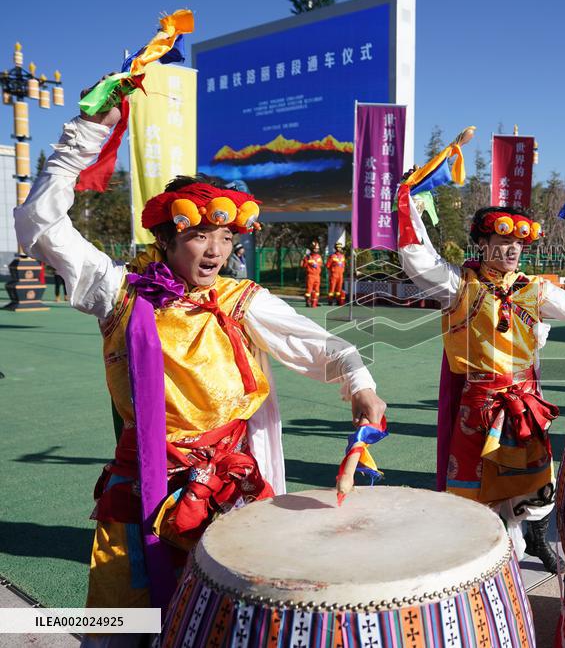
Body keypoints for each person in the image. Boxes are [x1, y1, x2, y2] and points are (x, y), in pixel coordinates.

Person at [13, 79, 386, 632]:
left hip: (231, 483)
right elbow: (39, 222)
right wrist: (88, 132)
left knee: (231, 615)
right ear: (165, 237)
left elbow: (318, 343)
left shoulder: (240, 301)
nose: (215, 249)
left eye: (226, 238)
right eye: (200, 235)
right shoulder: (116, 290)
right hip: (146, 482)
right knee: (124, 621)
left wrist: (359, 383)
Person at [397, 199, 565, 574]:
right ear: (482, 244)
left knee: (536, 481)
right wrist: (408, 204)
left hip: (525, 401)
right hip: (480, 404)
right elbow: (416, 256)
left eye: (519, 242)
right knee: (474, 491)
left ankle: (535, 540)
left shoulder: (534, 289)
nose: (513, 249)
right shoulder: (458, 284)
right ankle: (484, 560)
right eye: (503, 242)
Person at [301, 240, 323, 307]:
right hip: (310, 276)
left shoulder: (319, 257)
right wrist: (304, 259)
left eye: (317, 249)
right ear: (312, 249)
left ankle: (315, 301)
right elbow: (303, 266)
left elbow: (320, 265)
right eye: (315, 248)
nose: (316, 250)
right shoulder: (307, 257)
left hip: (317, 276)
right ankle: (308, 301)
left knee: (317, 290)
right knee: (309, 290)